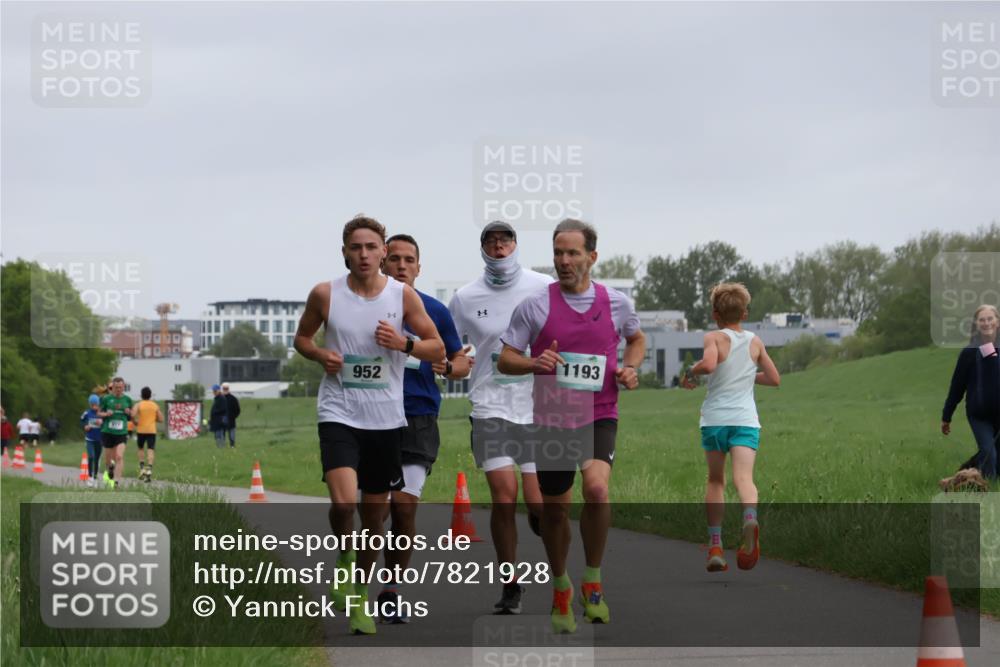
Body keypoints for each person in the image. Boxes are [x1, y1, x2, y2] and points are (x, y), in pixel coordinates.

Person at [294, 214, 444, 635]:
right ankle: (344, 559)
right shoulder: (326, 294)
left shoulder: (402, 296)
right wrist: (320, 355)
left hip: (385, 419)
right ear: (344, 251)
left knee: (375, 519)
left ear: (382, 251)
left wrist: (405, 343)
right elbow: (302, 338)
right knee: (344, 505)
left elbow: (436, 348)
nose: (364, 254)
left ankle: (359, 596)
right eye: (355, 247)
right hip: (339, 412)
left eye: (371, 247)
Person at [498, 218, 646, 633]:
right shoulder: (535, 305)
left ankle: (593, 581)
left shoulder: (615, 303)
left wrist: (631, 368)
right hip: (554, 414)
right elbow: (505, 358)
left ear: (591, 257)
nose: (563, 261)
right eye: (558, 253)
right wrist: (533, 362)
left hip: (600, 410)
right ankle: (561, 583)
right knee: (555, 510)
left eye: (572, 253)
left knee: (597, 490)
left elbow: (636, 339)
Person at [449, 220, 551, 615]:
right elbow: (453, 346)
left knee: (538, 502)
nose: (498, 247)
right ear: (483, 249)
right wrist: (451, 364)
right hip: (490, 405)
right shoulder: (465, 296)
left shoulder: (542, 287)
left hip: (536, 405)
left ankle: (545, 528)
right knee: (504, 498)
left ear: (515, 245)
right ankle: (511, 583)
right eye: (491, 241)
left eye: (505, 240)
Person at [378, 233, 471, 622]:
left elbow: (461, 362)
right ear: (382, 263)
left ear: (419, 267)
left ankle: (392, 589)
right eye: (394, 258)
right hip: (372, 415)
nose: (401, 265)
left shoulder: (434, 311)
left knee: (403, 507)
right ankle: (353, 569)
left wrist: (449, 368)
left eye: (409, 259)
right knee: (372, 509)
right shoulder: (366, 308)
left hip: (418, 415)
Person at [681, 282, 781, 574]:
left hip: (714, 420)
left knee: (716, 481)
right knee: (744, 479)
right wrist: (749, 374)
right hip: (745, 420)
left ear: (715, 313)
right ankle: (750, 518)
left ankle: (715, 547)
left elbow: (710, 365)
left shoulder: (713, 336)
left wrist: (691, 370)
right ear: (745, 312)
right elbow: (774, 378)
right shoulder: (755, 341)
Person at [942, 304, 1000, 481]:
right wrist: (947, 416)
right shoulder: (969, 353)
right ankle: (988, 496)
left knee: (996, 458)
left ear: (998, 322)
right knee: (989, 454)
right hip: (979, 415)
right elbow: (957, 387)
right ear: (976, 324)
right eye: (982, 319)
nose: (986, 323)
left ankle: (967, 472)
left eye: (990, 318)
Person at [98, 377, 133, 489]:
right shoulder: (106, 399)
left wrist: (129, 412)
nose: (118, 389)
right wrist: (106, 414)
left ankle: (116, 483)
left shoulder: (128, 400)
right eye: (116, 387)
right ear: (112, 387)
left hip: (121, 433)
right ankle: (110, 470)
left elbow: (132, 415)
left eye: (120, 387)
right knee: (108, 460)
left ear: (123, 387)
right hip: (108, 432)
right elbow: (99, 413)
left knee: (118, 456)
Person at [133, 386, 163, 482]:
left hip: (141, 430)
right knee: (150, 449)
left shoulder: (139, 405)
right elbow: (161, 419)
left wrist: (135, 421)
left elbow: (132, 414)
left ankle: (142, 468)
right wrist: (154, 419)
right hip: (151, 430)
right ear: (150, 395)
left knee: (141, 448)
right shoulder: (154, 405)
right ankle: (149, 469)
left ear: (141, 395)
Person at [80, 395, 104, 487]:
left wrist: (102, 422)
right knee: (91, 456)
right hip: (89, 439)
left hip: (99, 439)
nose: (94, 406)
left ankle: (95, 477)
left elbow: (106, 422)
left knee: (97, 459)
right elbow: (81, 421)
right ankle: (90, 477)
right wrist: (85, 426)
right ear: (90, 404)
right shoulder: (87, 413)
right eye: (92, 404)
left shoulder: (101, 413)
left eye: (96, 404)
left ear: (98, 404)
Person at [222, 383, 240, 448]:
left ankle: (232, 445)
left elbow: (237, 410)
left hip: (230, 419)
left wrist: (233, 417)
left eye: (226, 388)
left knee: (231, 433)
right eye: (224, 388)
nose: (225, 390)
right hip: (223, 419)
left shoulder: (233, 399)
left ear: (228, 389)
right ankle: (223, 445)